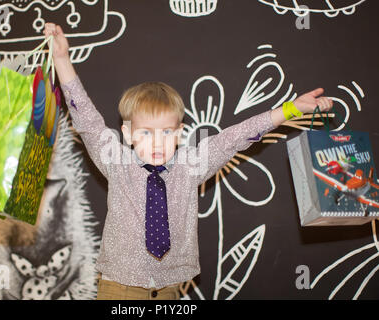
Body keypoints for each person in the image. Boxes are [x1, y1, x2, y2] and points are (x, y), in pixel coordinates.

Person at [43, 23, 333, 300]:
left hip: (170, 289)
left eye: (166, 132)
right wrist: (62, 59)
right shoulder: (117, 162)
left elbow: (235, 137)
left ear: (180, 133)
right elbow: (89, 122)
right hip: (120, 288)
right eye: (146, 133)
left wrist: (291, 109)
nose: (157, 142)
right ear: (128, 133)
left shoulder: (190, 165)